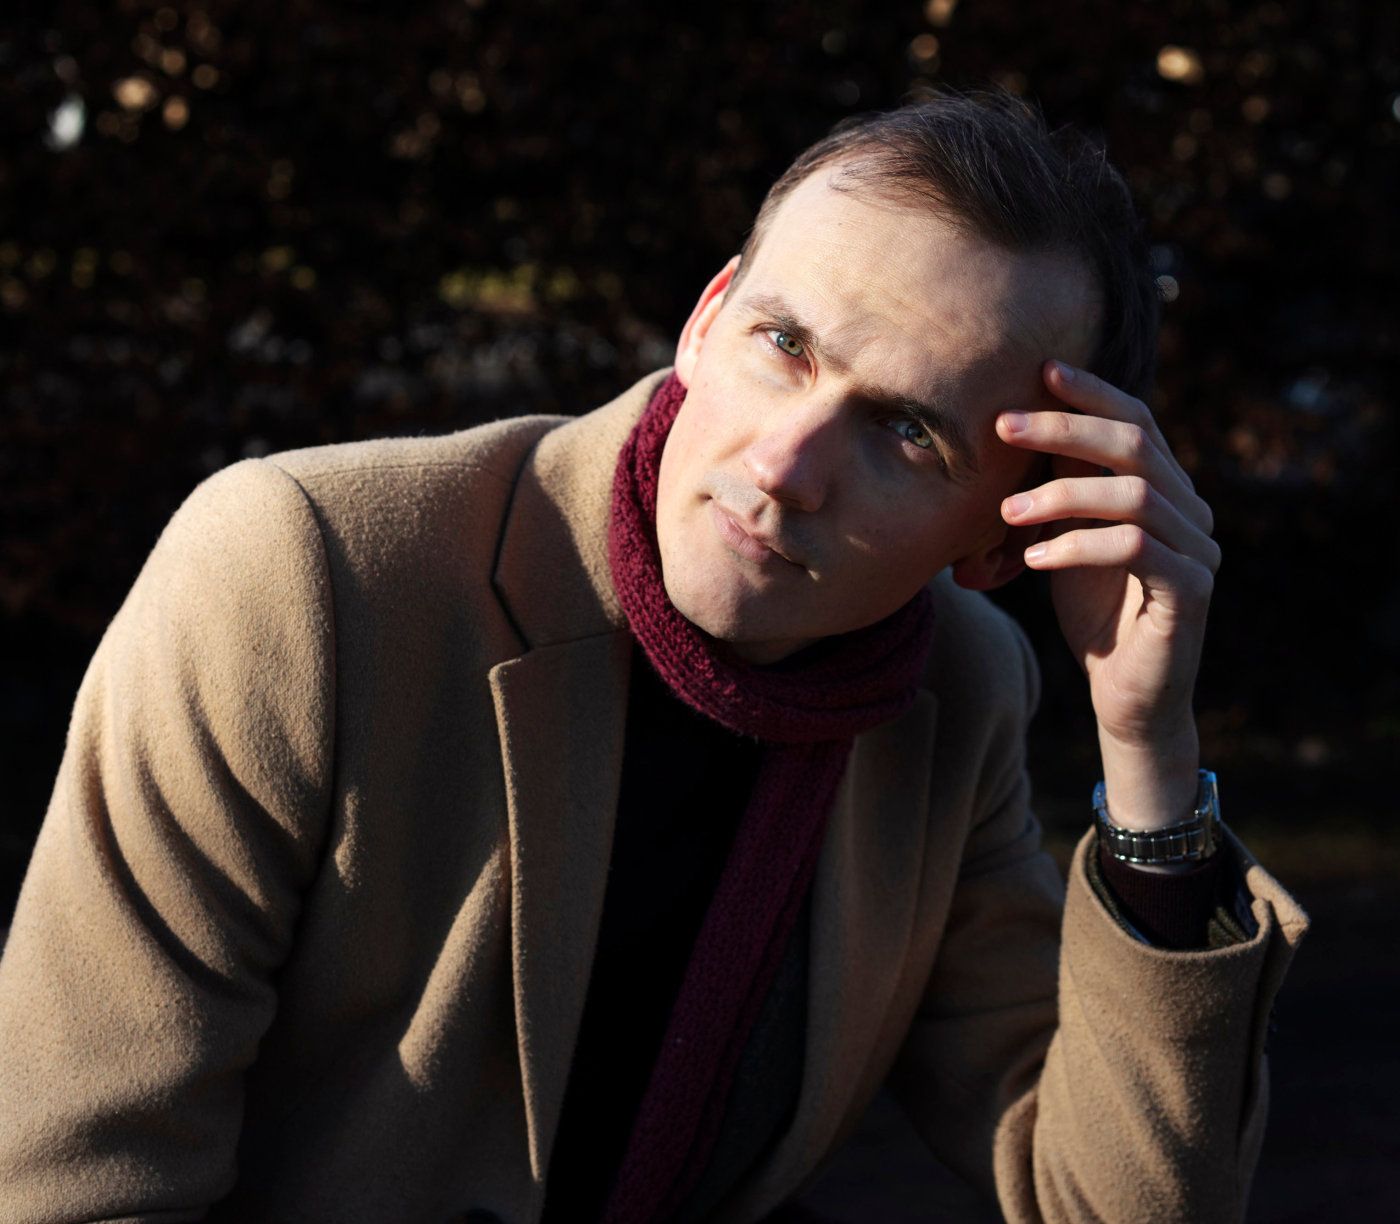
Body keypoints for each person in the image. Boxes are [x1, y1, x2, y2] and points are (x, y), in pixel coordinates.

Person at [0, 89, 1307, 1224]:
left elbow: (1113, 1203)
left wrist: (1148, 753)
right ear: (704, 320)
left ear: (1002, 537)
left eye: (908, 432)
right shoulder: (305, 574)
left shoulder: (957, 691)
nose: (783, 466)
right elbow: (83, 1184)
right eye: (785, 346)